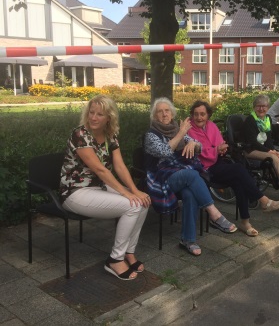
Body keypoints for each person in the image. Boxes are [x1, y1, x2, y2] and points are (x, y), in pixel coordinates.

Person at [60, 95, 150, 281]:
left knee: (142, 202)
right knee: (132, 205)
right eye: (91, 112)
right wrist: (126, 193)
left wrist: (134, 190)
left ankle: (128, 253)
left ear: (108, 117)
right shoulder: (80, 135)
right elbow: (100, 170)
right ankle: (115, 260)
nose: (93, 117)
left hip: (98, 188)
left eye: (99, 114)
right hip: (75, 191)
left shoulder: (110, 135)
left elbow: (119, 166)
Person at [144, 98, 237, 256]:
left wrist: (193, 144)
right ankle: (214, 213)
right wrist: (182, 133)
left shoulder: (174, 129)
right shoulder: (151, 135)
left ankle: (188, 240)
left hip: (180, 174)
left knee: (189, 193)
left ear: (172, 113)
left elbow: (198, 146)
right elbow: (165, 151)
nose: (164, 113)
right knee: (192, 174)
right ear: (155, 116)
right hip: (161, 178)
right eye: (160, 111)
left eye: (167, 110)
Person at [188, 100, 279, 237]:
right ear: (192, 115)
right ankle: (263, 201)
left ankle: (245, 222)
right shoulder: (189, 130)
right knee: (239, 170)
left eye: (202, 114)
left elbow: (220, 143)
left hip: (218, 163)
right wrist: (217, 150)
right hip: (203, 169)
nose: (199, 117)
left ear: (208, 115)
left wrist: (221, 149)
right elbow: (199, 153)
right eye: (196, 114)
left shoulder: (211, 126)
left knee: (239, 180)